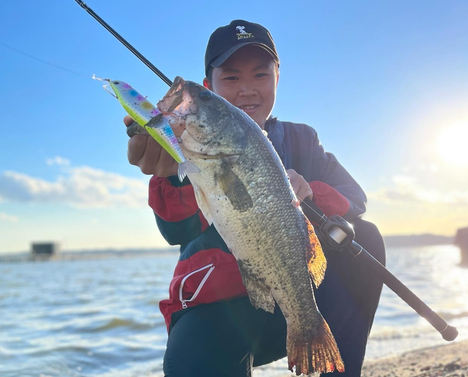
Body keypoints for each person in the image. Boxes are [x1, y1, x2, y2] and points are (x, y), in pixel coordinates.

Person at [125, 20, 386, 377]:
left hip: (291, 302)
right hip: (219, 308)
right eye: (230, 78)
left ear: (277, 78)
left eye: (260, 75)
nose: (247, 89)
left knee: (364, 236)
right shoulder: (180, 143)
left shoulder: (301, 139)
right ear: (209, 87)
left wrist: (311, 190)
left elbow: (355, 198)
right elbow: (176, 229)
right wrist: (170, 174)